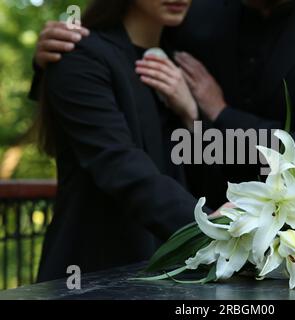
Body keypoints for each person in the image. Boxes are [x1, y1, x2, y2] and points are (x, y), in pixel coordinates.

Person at [32, 0, 295, 209]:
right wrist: (56, 59)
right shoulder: (192, 10)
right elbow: (124, 54)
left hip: (278, 225)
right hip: (170, 223)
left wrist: (218, 113)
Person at [33, 0, 221, 282]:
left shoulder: (183, 65)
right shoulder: (80, 55)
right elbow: (119, 165)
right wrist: (211, 228)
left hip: (171, 275)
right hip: (92, 275)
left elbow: (191, 173)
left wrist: (191, 115)